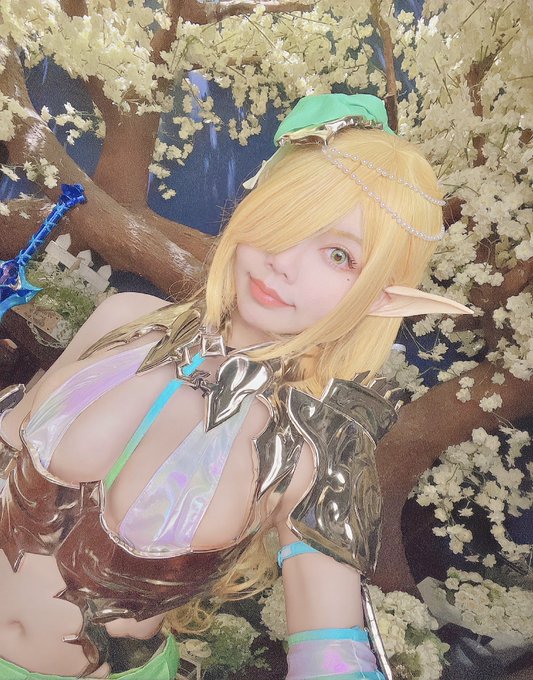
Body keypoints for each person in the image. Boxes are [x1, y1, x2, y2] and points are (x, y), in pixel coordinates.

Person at [0, 94, 471, 680]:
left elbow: (331, 654)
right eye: (287, 216)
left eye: (337, 254)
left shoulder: (320, 449)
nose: (283, 262)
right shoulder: (123, 317)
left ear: (381, 297)